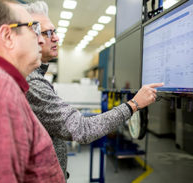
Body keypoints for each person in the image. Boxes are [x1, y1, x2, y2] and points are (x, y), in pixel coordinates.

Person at [24, 1, 163, 179]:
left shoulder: (35, 77)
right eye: (48, 32)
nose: (56, 38)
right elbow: (82, 129)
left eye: (55, 31)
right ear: (28, 37)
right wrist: (133, 104)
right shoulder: (31, 82)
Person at [0, 0, 65, 182]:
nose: (41, 39)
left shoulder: (9, 86)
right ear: (7, 36)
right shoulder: (1, 91)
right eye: (33, 29)